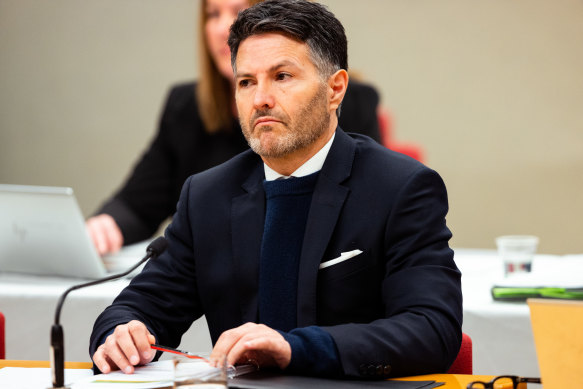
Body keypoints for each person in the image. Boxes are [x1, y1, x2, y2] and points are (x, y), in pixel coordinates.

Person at [90, 0, 462, 379]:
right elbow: (139, 306)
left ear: (335, 89)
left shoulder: (400, 188)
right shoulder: (207, 196)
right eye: (246, 82)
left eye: (282, 76)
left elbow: (431, 329)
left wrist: (294, 349)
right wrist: (122, 332)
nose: (260, 99)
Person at [86, 0, 382, 256]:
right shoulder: (186, 107)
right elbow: (139, 203)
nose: (222, 28)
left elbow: (366, 213)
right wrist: (105, 227)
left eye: (238, 10)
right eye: (212, 14)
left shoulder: (348, 101)